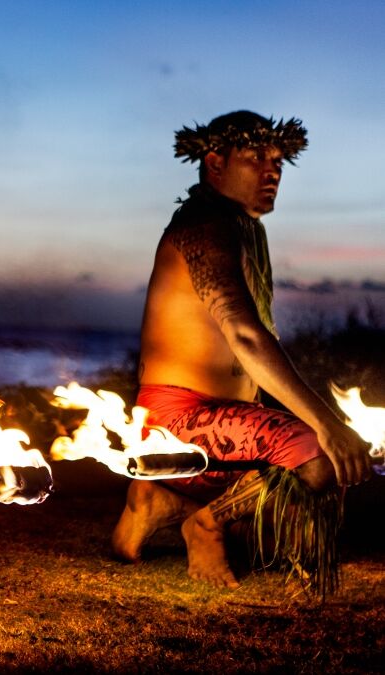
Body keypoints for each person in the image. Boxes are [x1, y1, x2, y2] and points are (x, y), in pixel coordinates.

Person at [112, 111, 372, 595]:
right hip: (181, 419)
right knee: (319, 455)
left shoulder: (243, 229)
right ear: (214, 161)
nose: (271, 170)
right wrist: (325, 426)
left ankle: (161, 504)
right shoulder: (204, 226)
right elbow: (246, 336)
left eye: (277, 161)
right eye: (255, 158)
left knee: (293, 501)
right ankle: (204, 525)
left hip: (228, 422)